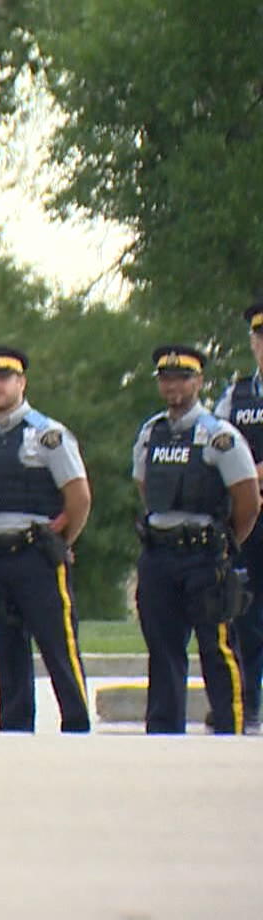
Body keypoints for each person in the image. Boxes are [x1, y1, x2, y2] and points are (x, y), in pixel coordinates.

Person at [0, 347, 92, 733]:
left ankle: (77, 725)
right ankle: (15, 730)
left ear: (22, 382)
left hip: (35, 556)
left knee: (58, 648)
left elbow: (79, 498)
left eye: (4, 378)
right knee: (7, 651)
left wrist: (59, 541)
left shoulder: (47, 435)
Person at [131, 344, 259, 734]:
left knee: (216, 647)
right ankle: (164, 730)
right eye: (166, 379)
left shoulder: (219, 437)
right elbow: (144, 486)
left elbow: (248, 500)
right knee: (163, 647)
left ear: (198, 381)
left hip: (203, 557)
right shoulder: (151, 432)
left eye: (182, 378)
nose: (173, 387)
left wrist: (222, 545)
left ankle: (229, 725)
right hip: (159, 554)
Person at [212, 301, 263, 730]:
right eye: (261, 337)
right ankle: (247, 702)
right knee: (243, 611)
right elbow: (213, 448)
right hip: (250, 518)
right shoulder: (236, 396)